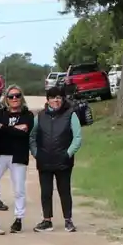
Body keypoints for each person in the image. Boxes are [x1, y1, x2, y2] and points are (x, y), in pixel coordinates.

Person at [31, 88, 82, 233]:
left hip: (63, 160)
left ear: (63, 99)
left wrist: (68, 153)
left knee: (64, 190)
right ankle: (47, 221)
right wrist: (36, 153)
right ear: (47, 100)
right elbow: (31, 136)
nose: (56, 100)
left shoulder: (70, 115)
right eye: (52, 98)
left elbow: (77, 136)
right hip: (44, 159)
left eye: (58, 97)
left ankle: (68, 220)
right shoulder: (40, 116)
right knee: (45, 191)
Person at [0, 86, 33, 233]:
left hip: (17, 155)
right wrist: (14, 129)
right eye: (11, 96)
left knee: (19, 189)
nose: (14, 99)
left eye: (17, 95)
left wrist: (4, 127)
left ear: (21, 97)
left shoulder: (28, 114)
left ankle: (19, 218)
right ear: (6, 98)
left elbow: (24, 133)